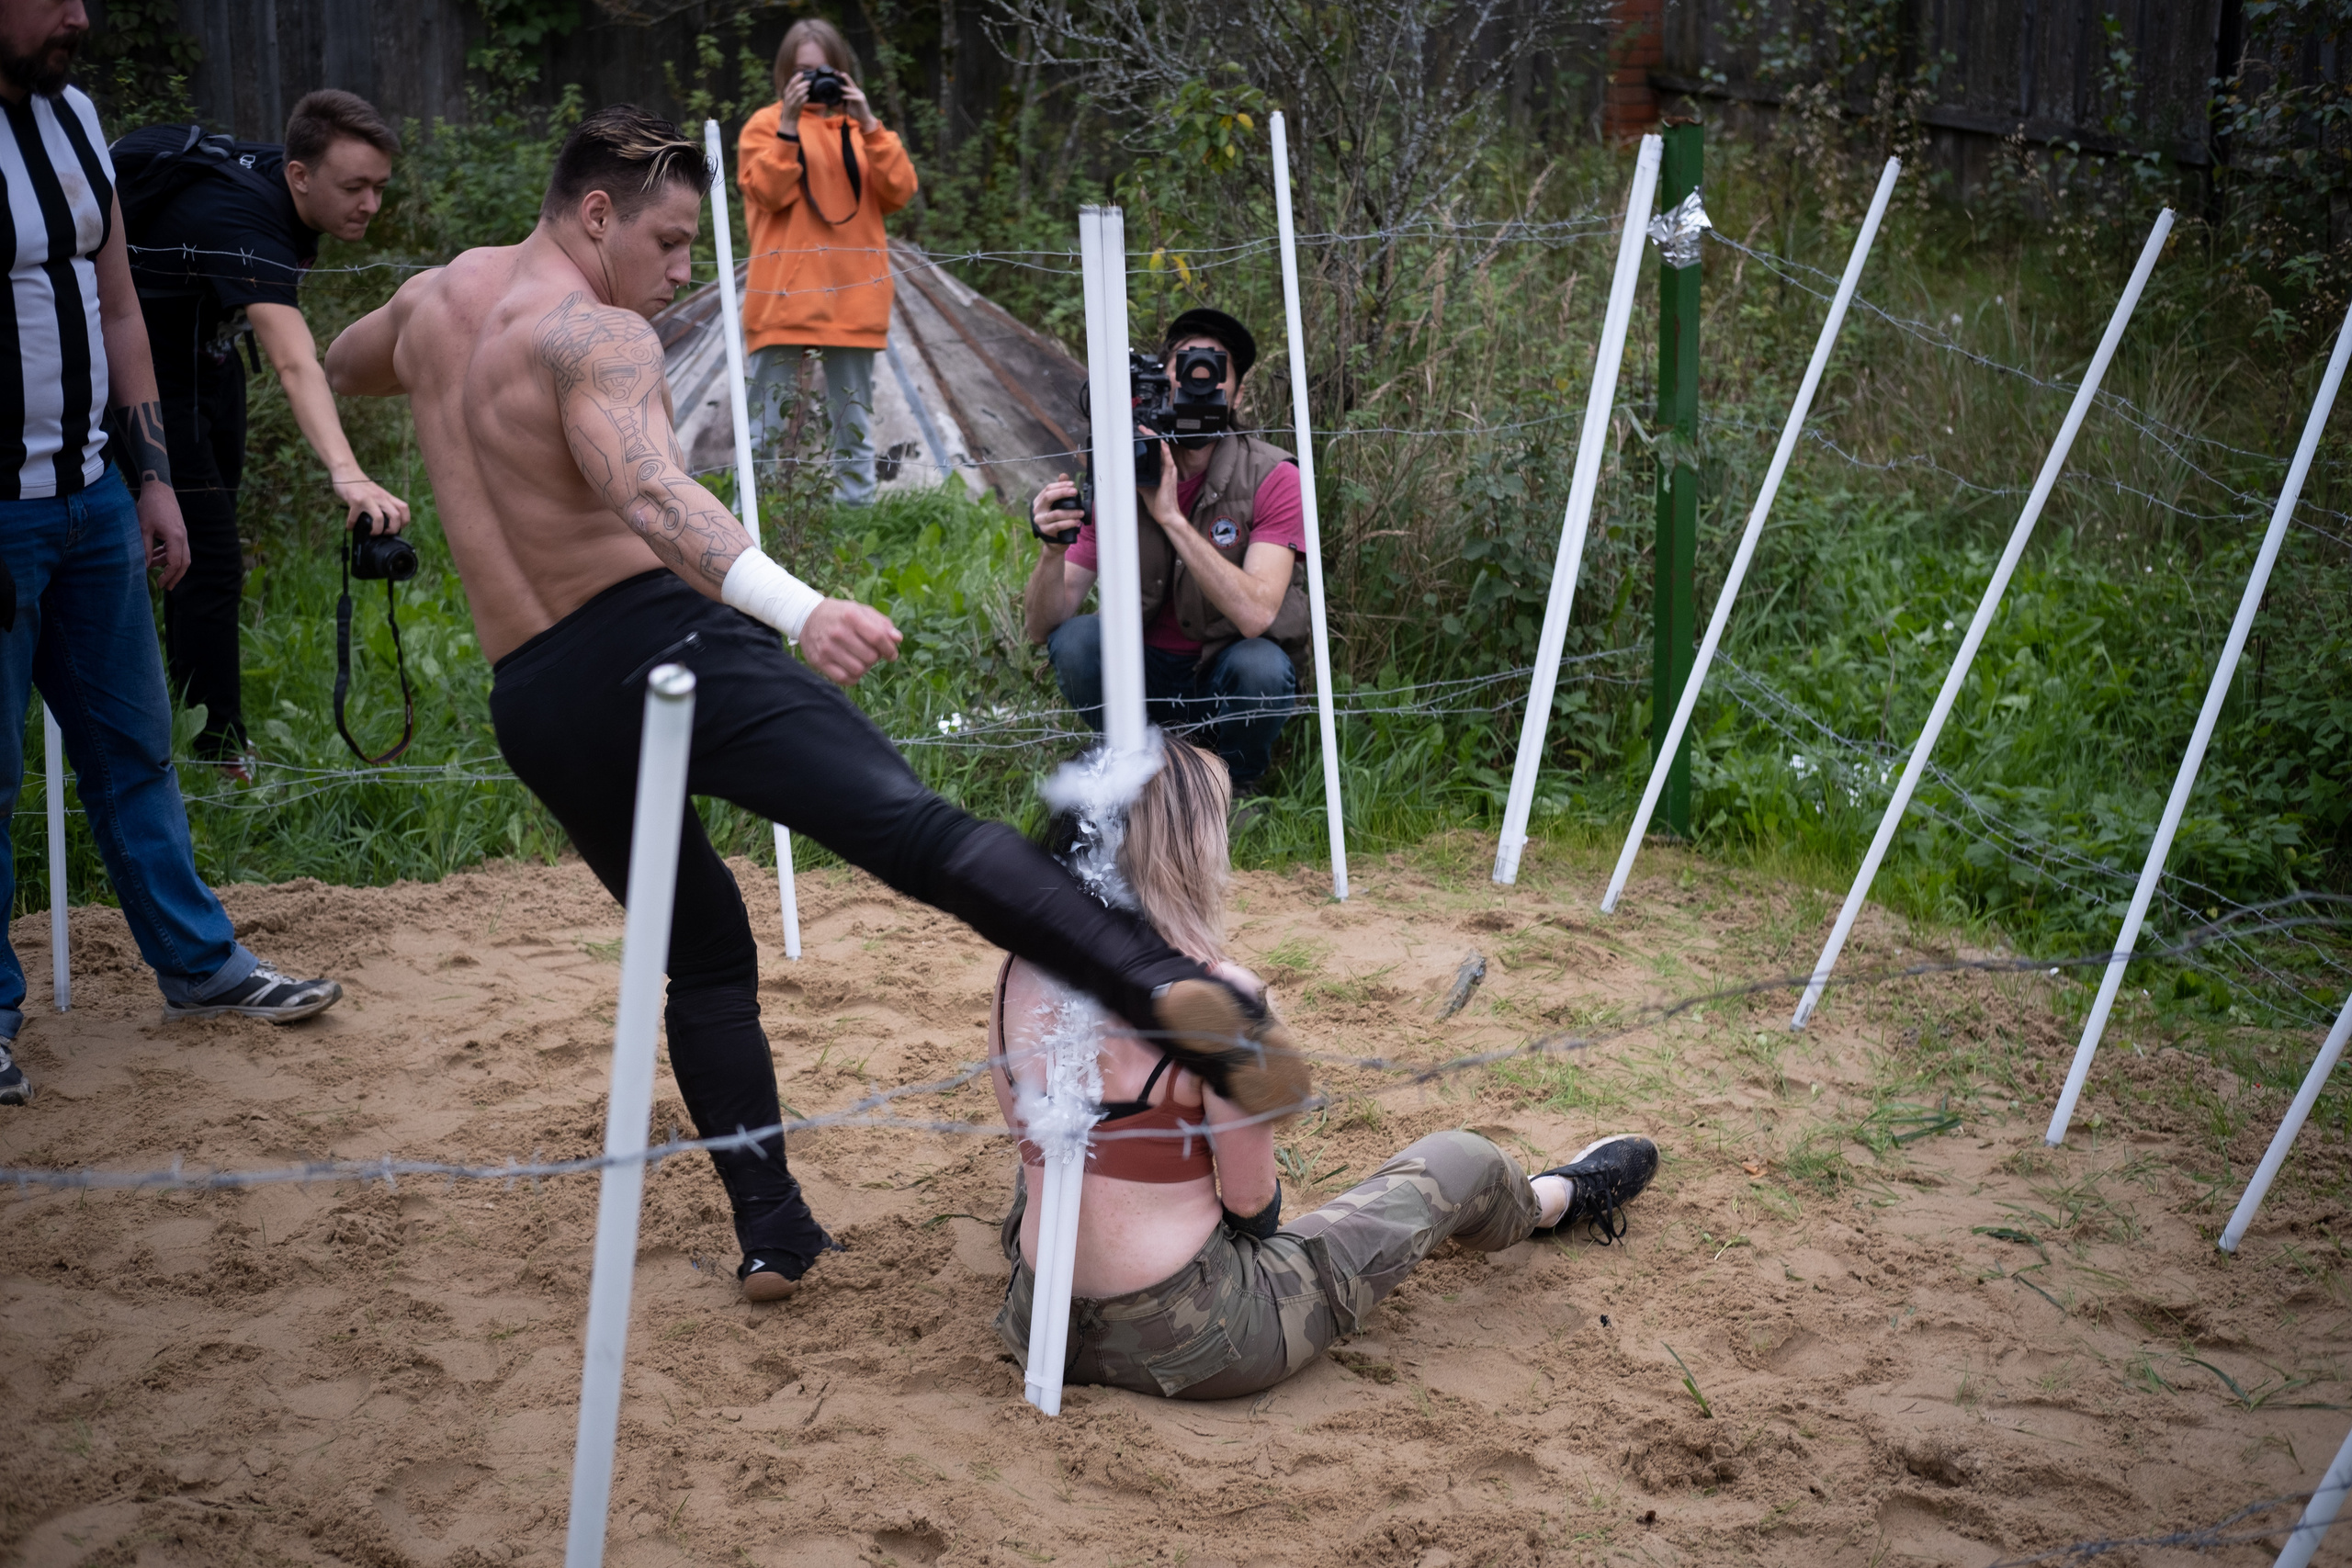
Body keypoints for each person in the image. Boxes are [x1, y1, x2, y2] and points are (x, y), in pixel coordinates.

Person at [324, 105, 1301, 1302]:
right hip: (656, 643)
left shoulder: (434, 307)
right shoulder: (597, 334)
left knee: (702, 948)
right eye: (673, 240)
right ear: (595, 214)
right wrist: (798, 609)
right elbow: (649, 492)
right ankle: (1170, 992)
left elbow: (339, 365)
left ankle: (773, 1231)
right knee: (918, 831)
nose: (684, 271)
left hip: (533, 695)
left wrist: (356, 467)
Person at [988, 738, 1659, 1399]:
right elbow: (1251, 1203)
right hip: (1194, 1338)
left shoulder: (1018, 968)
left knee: (1057, 1147)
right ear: (1182, 855)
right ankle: (1555, 1198)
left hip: (1039, 1318)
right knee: (1463, 1162)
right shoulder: (1218, 997)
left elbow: (1027, 1134)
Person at [0, 0, 345, 1108]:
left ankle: (199, 968)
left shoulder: (73, 115)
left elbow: (117, 309)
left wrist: (148, 476)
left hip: (91, 496)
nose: (79, 15)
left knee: (134, 746)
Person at [116, 88, 408, 768]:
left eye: (380, 187)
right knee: (209, 559)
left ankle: (184, 711)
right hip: (147, 379)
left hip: (208, 357)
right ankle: (215, 751)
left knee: (203, 548)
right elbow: (294, 360)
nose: (370, 204)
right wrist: (349, 473)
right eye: (354, 187)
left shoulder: (287, 177)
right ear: (299, 175)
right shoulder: (244, 214)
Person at [1023, 308, 1308, 800]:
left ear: (1238, 394)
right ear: (1160, 384)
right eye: (1186, 370)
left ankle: (1233, 788)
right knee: (1077, 640)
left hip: (1222, 670)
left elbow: (1256, 613)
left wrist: (1171, 516)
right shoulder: (1122, 466)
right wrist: (1052, 551)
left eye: (1215, 372)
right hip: (1143, 673)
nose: (1200, 383)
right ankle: (1131, 774)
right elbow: (1042, 626)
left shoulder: (1273, 476)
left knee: (1262, 665)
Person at [738, 17, 916, 506]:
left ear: (842, 72)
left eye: (824, 72)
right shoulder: (764, 125)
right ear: (784, 74)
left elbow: (901, 190)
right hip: (783, 299)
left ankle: (854, 520)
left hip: (854, 298)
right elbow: (768, 193)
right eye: (802, 72)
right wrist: (790, 127)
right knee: (764, 424)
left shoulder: (862, 132)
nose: (814, 82)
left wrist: (871, 123)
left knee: (852, 422)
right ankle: (746, 524)